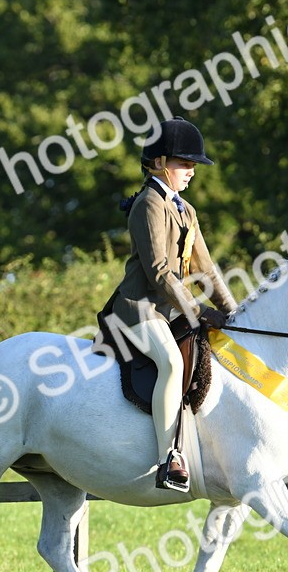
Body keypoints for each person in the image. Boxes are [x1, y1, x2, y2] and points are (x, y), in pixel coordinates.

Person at [101, 116, 239, 491]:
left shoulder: (185, 209)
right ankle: (169, 458)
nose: (192, 171)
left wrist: (232, 311)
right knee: (172, 361)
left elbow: (205, 268)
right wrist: (196, 311)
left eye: (193, 165)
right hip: (137, 308)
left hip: (167, 309)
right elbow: (159, 271)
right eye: (185, 163)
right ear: (160, 162)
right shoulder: (148, 204)